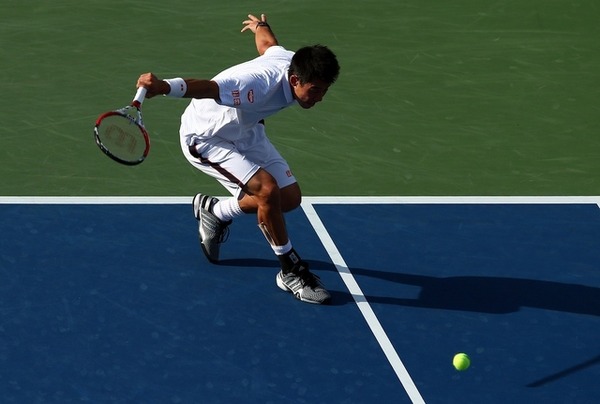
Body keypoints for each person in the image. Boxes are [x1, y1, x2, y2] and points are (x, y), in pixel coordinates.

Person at [136, 13, 340, 305]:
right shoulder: (253, 84)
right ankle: (290, 271)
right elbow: (208, 87)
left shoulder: (291, 61)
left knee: (289, 198)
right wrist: (164, 86)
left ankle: (216, 212)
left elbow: (269, 45)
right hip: (207, 136)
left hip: (245, 130)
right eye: (315, 90)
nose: (320, 97)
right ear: (295, 79)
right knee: (267, 191)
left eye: (324, 90)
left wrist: (260, 26)